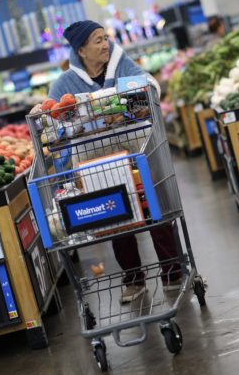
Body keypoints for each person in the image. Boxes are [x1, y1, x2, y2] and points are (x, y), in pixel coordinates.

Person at [38, 20, 182, 304]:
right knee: (116, 215)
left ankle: (173, 270)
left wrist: (124, 111)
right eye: (97, 40)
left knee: (152, 204)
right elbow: (52, 126)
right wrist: (53, 116)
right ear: (81, 50)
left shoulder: (122, 64)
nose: (105, 44)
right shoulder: (64, 84)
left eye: (105, 38)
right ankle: (133, 278)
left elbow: (148, 90)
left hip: (136, 149)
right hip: (96, 159)